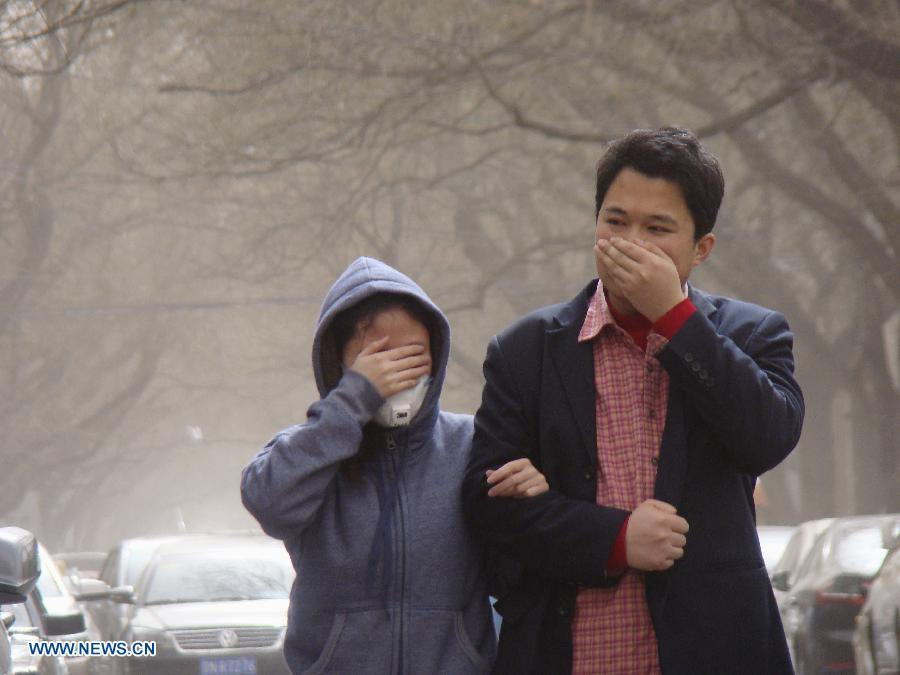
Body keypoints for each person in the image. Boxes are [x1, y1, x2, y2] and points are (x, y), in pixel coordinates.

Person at [462, 127, 804, 674]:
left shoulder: (751, 335)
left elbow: (766, 438)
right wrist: (616, 538)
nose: (631, 243)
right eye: (615, 221)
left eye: (658, 228)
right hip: (569, 651)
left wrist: (675, 318)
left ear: (701, 248)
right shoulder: (526, 350)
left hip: (714, 651)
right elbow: (489, 507)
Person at [241, 256, 546, 674]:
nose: (397, 375)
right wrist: (352, 401)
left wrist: (527, 503)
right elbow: (268, 502)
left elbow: (512, 576)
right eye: (379, 358)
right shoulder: (312, 450)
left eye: (412, 357)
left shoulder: (471, 444)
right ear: (340, 363)